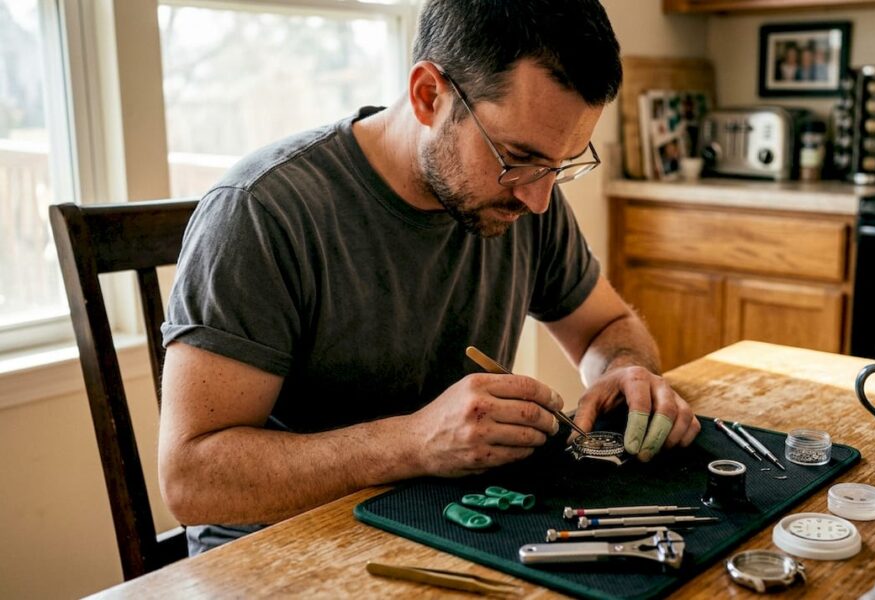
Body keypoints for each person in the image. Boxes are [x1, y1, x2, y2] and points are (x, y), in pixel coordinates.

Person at [158, 0, 701, 555]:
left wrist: (626, 371)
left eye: (560, 166)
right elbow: (192, 481)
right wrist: (413, 442)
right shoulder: (261, 212)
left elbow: (603, 325)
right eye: (518, 157)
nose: (538, 198)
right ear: (428, 95)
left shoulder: (527, 194)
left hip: (455, 524)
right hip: (281, 554)